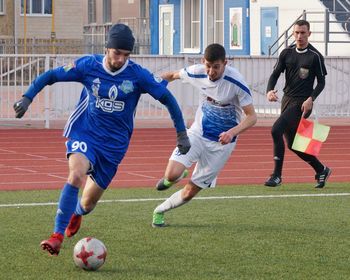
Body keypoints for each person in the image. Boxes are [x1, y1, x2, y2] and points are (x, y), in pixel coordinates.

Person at [13, 23, 191, 255]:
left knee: (88, 203)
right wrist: (27, 98)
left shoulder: (137, 75)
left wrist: (181, 133)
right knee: (76, 174)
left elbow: (168, 99)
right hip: (85, 131)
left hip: (114, 145)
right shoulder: (88, 65)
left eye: (126, 55)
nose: (120, 59)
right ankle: (56, 236)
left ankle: (76, 212)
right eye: (117, 53)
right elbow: (51, 75)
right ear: (107, 48)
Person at [151, 43, 257, 227]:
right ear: (203, 62)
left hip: (221, 145)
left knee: (189, 192)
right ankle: (175, 177)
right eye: (208, 65)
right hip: (197, 133)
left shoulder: (236, 82)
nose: (210, 71)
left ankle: (159, 211)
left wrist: (232, 133)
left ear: (225, 63)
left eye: (216, 67)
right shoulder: (196, 72)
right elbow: (171, 76)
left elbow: (252, 117)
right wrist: (151, 85)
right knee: (171, 174)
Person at [264, 19, 331, 188]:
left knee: (275, 130)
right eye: (296, 33)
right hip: (287, 100)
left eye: (303, 33)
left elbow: (321, 82)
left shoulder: (315, 56)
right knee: (294, 144)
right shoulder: (286, 53)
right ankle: (321, 169)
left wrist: (311, 99)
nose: (299, 36)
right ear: (293, 34)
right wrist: (270, 90)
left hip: (302, 104)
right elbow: (275, 74)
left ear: (309, 34)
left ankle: (277, 176)